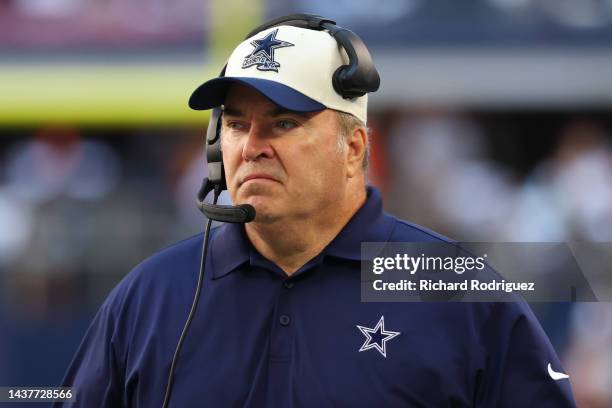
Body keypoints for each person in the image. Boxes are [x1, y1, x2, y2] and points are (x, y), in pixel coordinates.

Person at [55, 15, 576, 407]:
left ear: (353, 147)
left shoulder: (458, 290)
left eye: (282, 123)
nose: (251, 146)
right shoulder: (150, 297)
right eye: (236, 125)